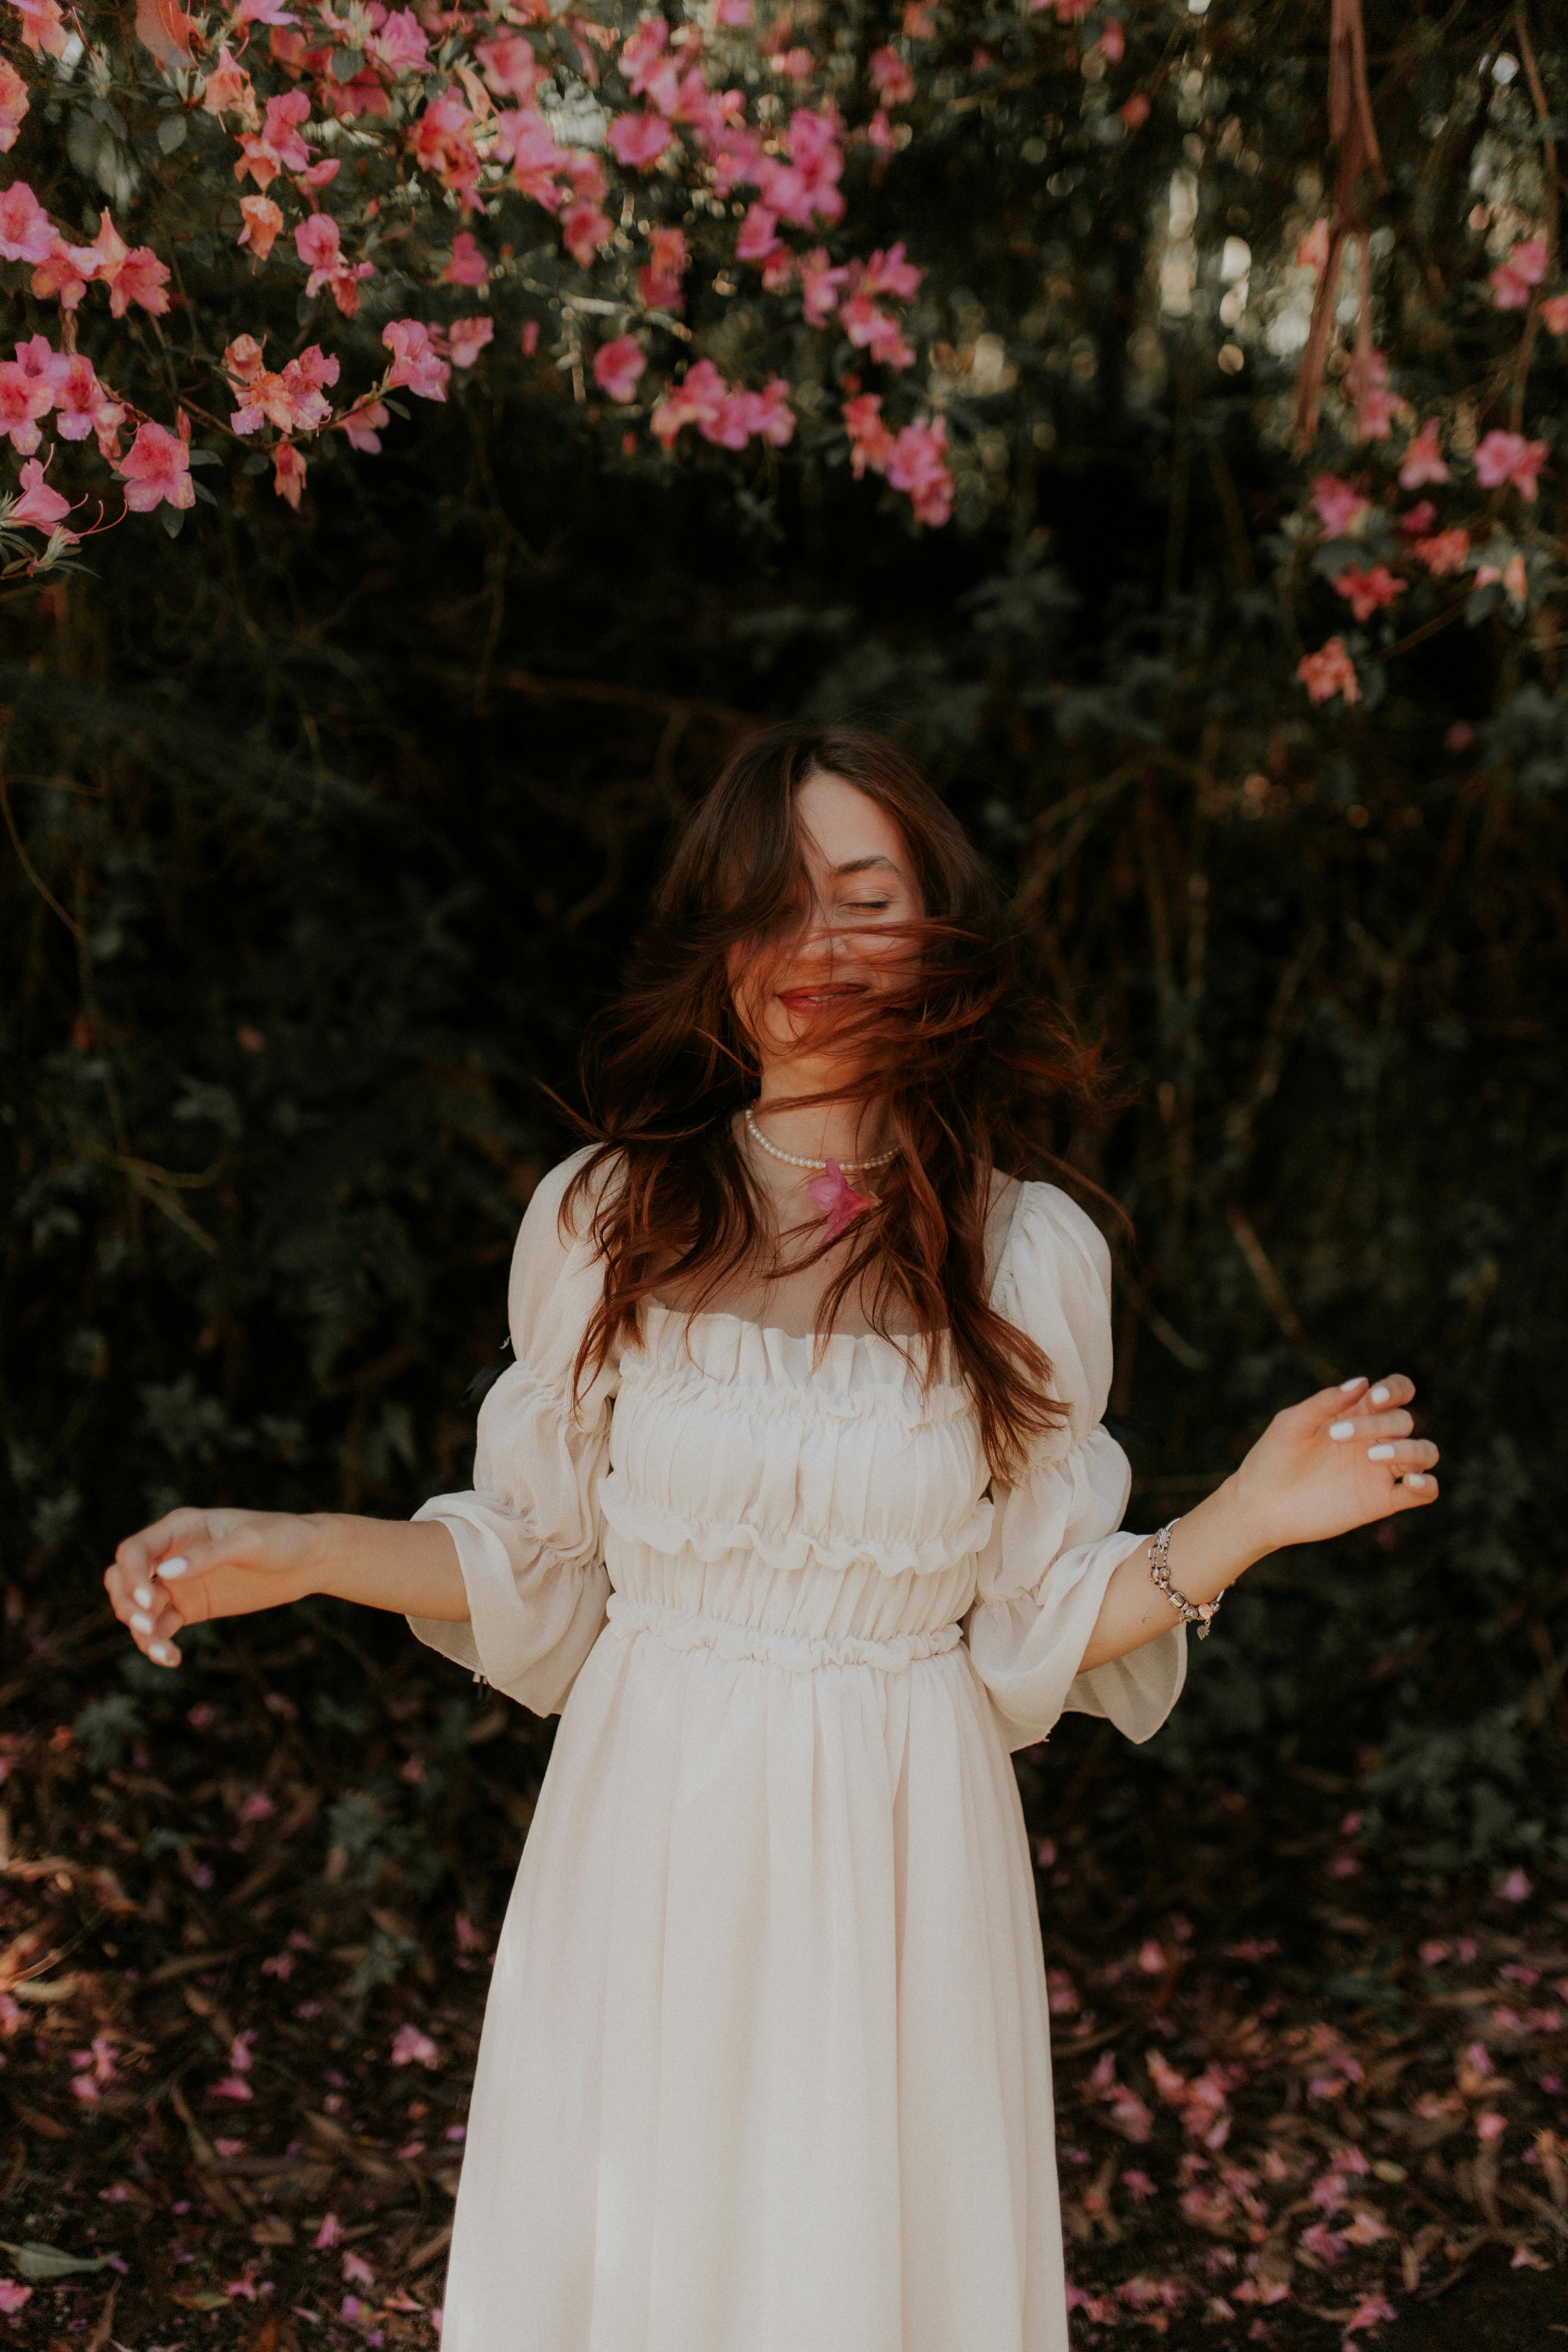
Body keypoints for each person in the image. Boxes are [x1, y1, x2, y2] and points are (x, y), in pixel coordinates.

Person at [105, 725, 1439, 2352]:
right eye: (768, 899)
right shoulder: (606, 1217)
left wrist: (1240, 1521)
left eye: (861, 896)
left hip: (902, 1839)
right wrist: (304, 1546)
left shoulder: (1027, 1257)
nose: (812, 943)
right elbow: (536, 1573)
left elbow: (1026, 1628)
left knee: (861, 2266)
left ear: (936, 930)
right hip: (643, 1815)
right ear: (715, 946)